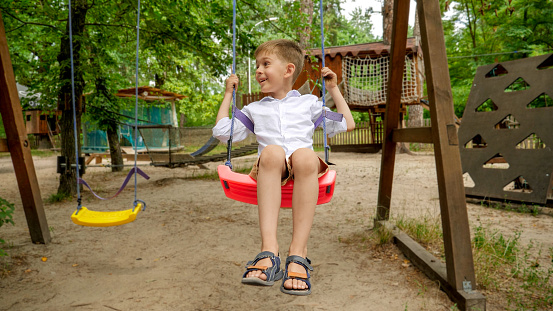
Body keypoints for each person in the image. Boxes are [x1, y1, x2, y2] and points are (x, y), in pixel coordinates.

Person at [213, 39, 355, 295]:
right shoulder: (253, 109)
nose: (258, 70)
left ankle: (298, 253)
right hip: (271, 168)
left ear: (288, 70)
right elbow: (223, 133)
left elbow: (347, 123)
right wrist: (228, 95)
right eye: (257, 65)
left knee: (304, 155)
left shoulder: (309, 104)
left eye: (265, 64)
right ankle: (269, 251)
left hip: (305, 169)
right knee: (272, 151)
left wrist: (333, 89)